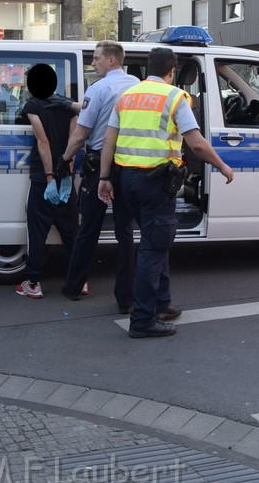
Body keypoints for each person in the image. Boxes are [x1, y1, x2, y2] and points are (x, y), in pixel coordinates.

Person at [97, 48, 234, 338]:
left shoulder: (128, 96)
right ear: (171, 71)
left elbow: (109, 140)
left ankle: (163, 302)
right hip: (155, 183)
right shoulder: (174, 97)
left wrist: (105, 178)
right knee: (153, 247)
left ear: (149, 69)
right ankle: (143, 320)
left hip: (127, 180)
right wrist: (222, 165)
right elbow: (196, 144)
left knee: (156, 243)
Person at [57, 41, 139, 312]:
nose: (93, 63)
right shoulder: (137, 86)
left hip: (99, 169)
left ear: (112, 61)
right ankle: (125, 299)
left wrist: (64, 160)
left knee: (89, 229)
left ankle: (73, 287)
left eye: (96, 59)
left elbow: (81, 133)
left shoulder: (99, 88)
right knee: (125, 232)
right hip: (129, 165)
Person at [15, 64, 79, 299]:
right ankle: (79, 281)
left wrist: (50, 176)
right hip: (66, 177)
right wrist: (66, 174)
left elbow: (43, 141)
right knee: (72, 233)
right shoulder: (69, 105)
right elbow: (74, 140)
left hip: (44, 178)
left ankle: (33, 283)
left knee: (37, 231)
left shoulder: (33, 104)